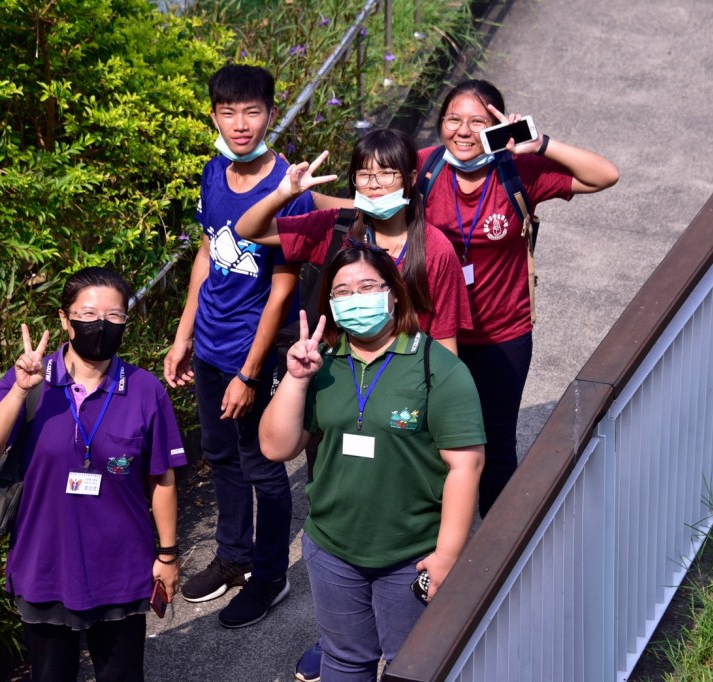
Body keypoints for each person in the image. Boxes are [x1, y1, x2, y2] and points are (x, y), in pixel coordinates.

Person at [259, 245, 486, 681]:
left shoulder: (436, 367)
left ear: (394, 293)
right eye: (342, 291)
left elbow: (466, 466)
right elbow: (275, 447)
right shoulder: (321, 363)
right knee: (345, 659)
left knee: (412, 665)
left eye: (367, 287)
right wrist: (296, 378)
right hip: (333, 549)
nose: (355, 298)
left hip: (410, 554)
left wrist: (447, 555)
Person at [163, 64, 334, 628]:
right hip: (209, 346)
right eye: (229, 112)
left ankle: (269, 576)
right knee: (222, 458)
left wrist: (251, 372)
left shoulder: (290, 188)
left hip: (251, 353)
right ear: (213, 115)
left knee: (263, 466)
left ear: (270, 113)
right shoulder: (214, 172)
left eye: (253, 111)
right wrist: (184, 334)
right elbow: (208, 254)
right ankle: (233, 558)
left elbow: (283, 288)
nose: (241, 124)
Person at [0, 267, 185, 682]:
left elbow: (162, 478)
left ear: (127, 321)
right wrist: (20, 388)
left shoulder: (144, 390)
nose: (100, 325)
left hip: (121, 568)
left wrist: (168, 555)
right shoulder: (33, 379)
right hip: (45, 565)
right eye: (87, 314)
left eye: (115, 316)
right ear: (65, 320)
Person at [419, 79, 619, 518]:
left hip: (502, 334)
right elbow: (365, 196)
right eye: (454, 119)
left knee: (496, 440)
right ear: (439, 125)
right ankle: (434, 541)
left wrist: (540, 143)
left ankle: (495, 550)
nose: (464, 131)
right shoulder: (424, 169)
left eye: (478, 121)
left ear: (496, 125)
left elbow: (605, 175)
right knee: (429, 438)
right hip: (434, 333)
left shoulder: (516, 171)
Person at [235, 128, 472, 355]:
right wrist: (283, 194)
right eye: (364, 174)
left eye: (387, 173)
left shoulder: (436, 249)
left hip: (405, 383)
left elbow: (444, 341)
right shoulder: (335, 229)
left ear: (410, 178)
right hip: (336, 375)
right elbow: (248, 229)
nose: (374, 183)